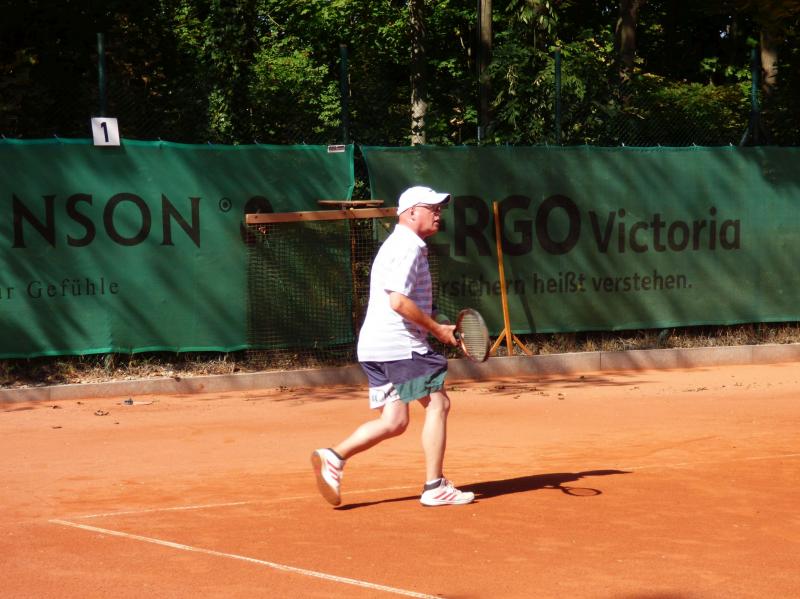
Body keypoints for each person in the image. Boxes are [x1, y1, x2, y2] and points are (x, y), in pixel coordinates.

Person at [311, 186, 475, 508]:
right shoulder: (408, 247)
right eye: (432, 208)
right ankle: (434, 486)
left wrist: (439, 322)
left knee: (394, 421)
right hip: (400, 345)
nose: (439, 214)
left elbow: (407, 301)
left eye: (440, 209)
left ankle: (334, 456)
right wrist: (435, 330)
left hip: (375, 346)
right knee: (438, 404)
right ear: (412, 212)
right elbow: (398, 302)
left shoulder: (399, 245)